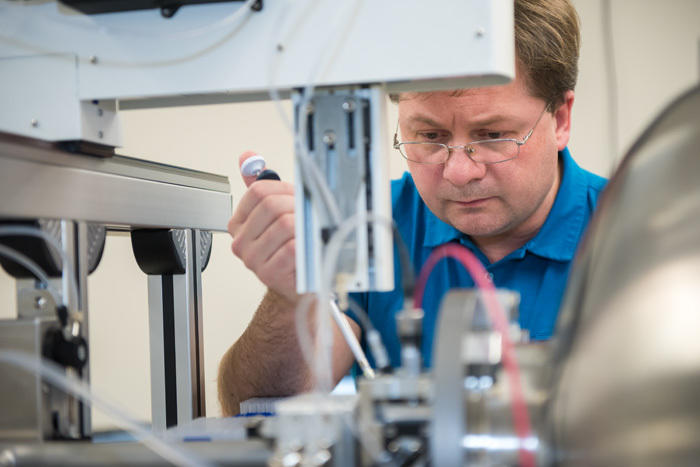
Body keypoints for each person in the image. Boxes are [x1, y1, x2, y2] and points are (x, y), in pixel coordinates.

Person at [218, 0, 606, 416]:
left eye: (493, 134)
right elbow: (254, 405)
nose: (458, 172)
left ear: (561, 119)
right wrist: (290, 293)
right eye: (429, 135)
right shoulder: (369, 225)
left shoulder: (634, 233)